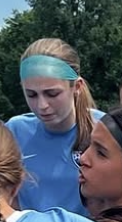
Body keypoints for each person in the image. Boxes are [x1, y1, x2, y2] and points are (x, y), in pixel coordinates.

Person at [8, 36, 97, 212]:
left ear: (77, 87)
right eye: (32, 95)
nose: (42, 105)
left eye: (52, 94)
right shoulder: (14, 132)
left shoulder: (104, 130)